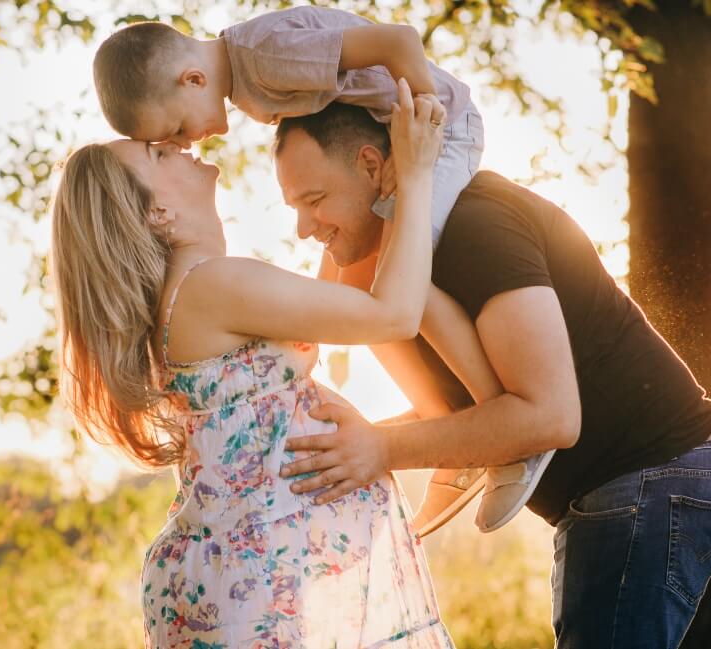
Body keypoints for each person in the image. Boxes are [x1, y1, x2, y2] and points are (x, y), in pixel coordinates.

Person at [273, 103, 711, 648]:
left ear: (372, 166)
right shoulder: (401, 270)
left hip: (651, 474)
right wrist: (350, 445)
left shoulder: (476, 225)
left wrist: (381, 448)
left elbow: (549, 416)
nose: (305, 229)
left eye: (314, 201)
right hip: (627, 485)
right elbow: (458, 412)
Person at [91, 6, 553, 534]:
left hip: (438, 130)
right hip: (397, 136)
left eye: (177, 131)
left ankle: (501, 430)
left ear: (192, 79)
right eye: (170, 145)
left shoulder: (265, 59)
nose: (187, 144)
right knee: (365, 271)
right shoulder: (253, 83)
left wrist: (423, 118)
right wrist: (322, 294)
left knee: (406, 274)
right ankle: (450, 418)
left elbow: (399, 42)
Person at [51, 81, 456, 647]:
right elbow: (391, 316)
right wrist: (413, 174)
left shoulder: (192, 295)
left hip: (254, 579)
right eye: (159, 154)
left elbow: (321, 321)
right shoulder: (213, 284)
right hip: (261, 586)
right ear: (160, 212)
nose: (177, 143)